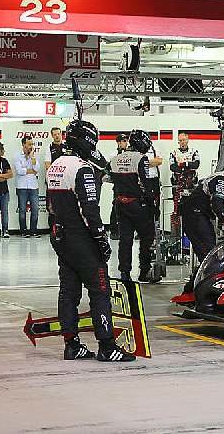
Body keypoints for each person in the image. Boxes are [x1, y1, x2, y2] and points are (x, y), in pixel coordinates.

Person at [47, 119, 134, 362]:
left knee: (68, 292)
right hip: (81, 238)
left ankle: (71, 344)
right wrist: (101, 238)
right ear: (87, 140)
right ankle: (107, 346)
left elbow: (51, 206)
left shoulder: (55, 165)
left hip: (61, 237)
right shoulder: (82, 169)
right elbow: (90, 210)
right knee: (100, 289)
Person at [179, 171, 224, 293]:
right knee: (209, 256)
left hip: (203, 216)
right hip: (193, 213)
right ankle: (196, 292)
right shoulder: (222, 180)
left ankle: (192, 289)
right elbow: (218, 204)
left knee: (211, 257)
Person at [109, 129, 157, 283]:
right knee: (146, 238)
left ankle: (124, 273)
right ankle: (144, 271)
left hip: (120, 204)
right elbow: (145, 183)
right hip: (138, 204)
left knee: (125, 239)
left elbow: (107, 178)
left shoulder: (116, 158)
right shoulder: (141, 159)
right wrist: (152, 204)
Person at [169, 133, 200, 238]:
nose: (182, 142)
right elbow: (173, 167)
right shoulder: (174, 152)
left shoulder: (194, 151)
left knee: (192, 207)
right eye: (180, 140)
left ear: (188, 140)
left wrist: (183, 164)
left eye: (184, 140)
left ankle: (192, 232)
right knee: (177, 208)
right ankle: (177, 235)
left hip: (191, 184)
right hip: (177, 184)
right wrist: (187, 166)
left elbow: (196, 165)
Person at [14, 135, 40, 237]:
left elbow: (36, 169)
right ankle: (23, 231)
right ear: (24, 144)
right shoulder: (17, 155)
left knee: (35, 210)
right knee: (22, 210)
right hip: (22, 187)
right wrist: (30, 171)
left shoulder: (33, 155)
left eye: (32, 144)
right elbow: (20, 171)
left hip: (33, 186)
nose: (31, 146)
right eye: (29, 144)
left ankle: (33, 230)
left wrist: (32, 157)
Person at [109, 133, 128, 240]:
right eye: (123, 141)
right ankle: (114, 230)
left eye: (126, 141)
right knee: (116, 206)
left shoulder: (130, 153)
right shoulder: (113, 154)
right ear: (118, 142)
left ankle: (125, 230)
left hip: (128, 184)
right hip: (118, 184)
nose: (125, 143)